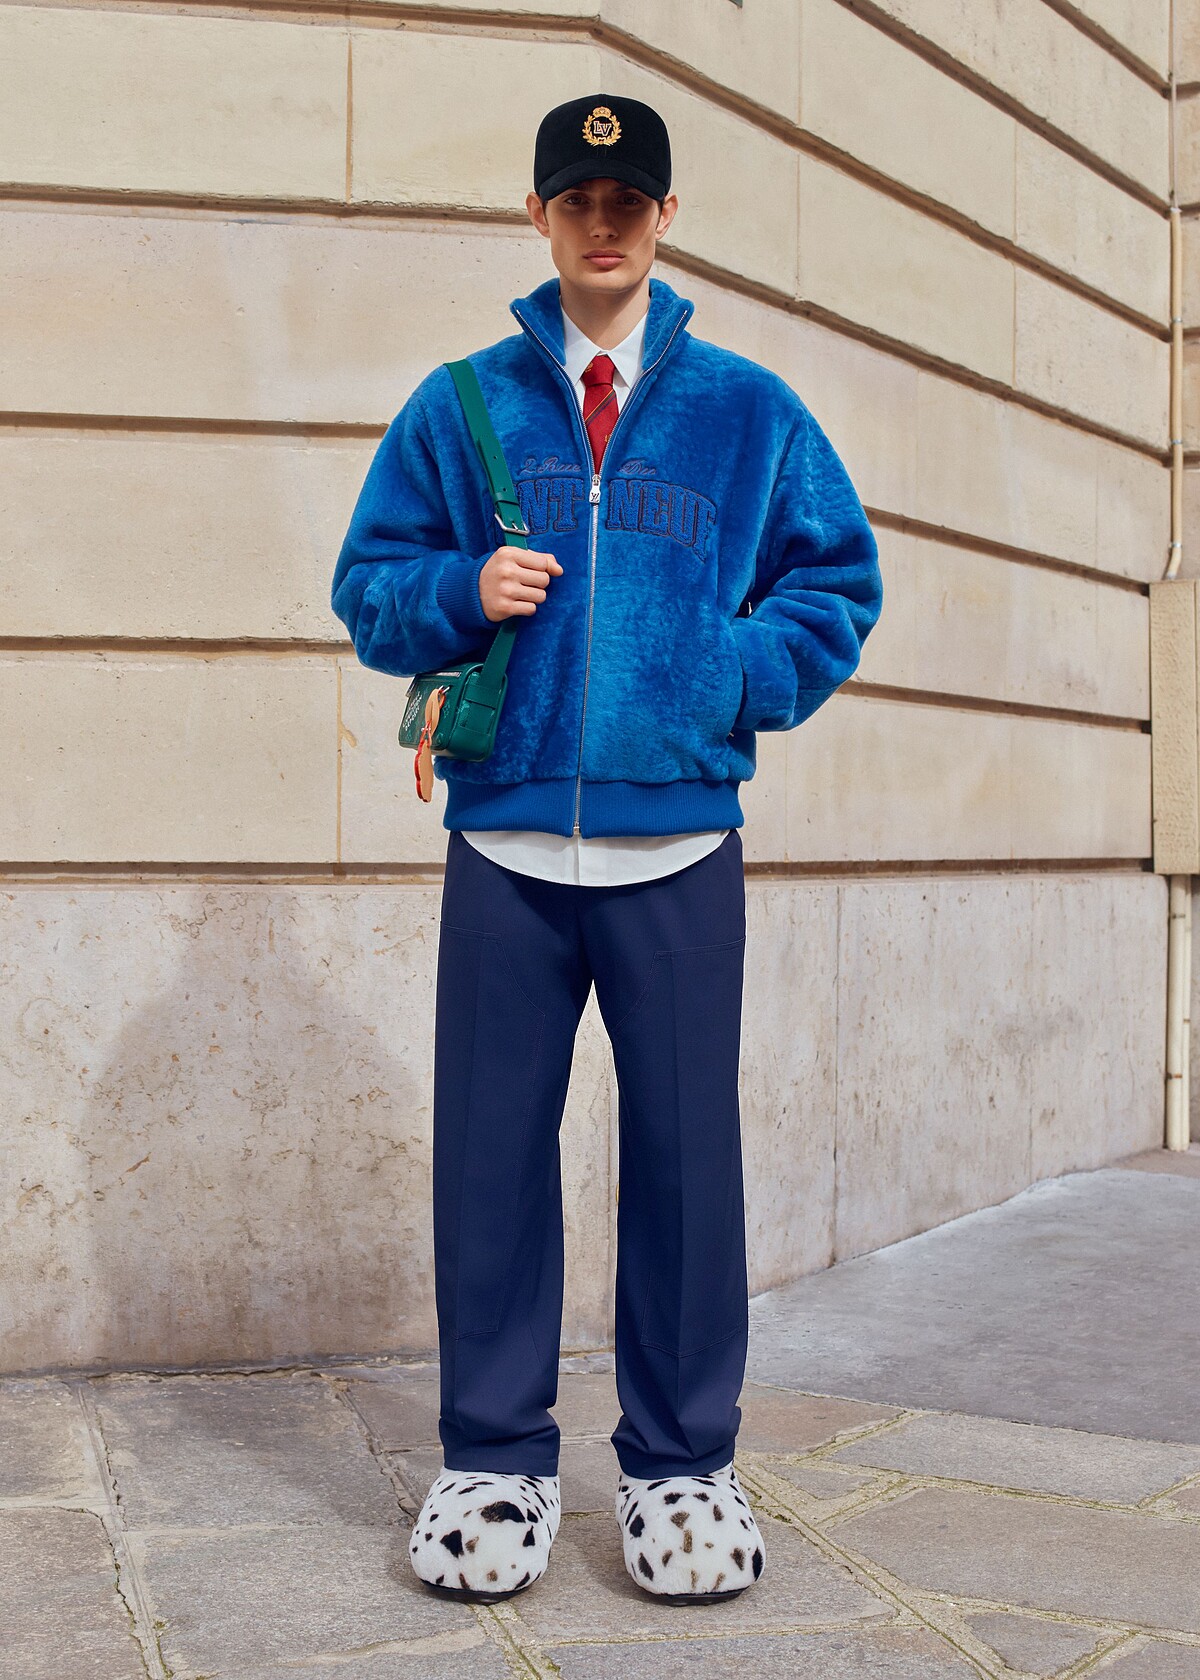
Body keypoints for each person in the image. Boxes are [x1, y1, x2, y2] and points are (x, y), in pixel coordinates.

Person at [330, 91, 883, 1607]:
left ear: (664, 217)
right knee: (491, 1161)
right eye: (575, 198)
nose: (601, 221)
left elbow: (836, 580)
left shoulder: (749, 411)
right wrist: (459, 591)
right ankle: (492, 1461)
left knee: (689, 1166)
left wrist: (730, 672)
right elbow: (368, 583)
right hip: (507, 844)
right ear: (537, 215)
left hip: (680, 845)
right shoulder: (460, 404)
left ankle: (682, 1467)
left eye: (626, 199)